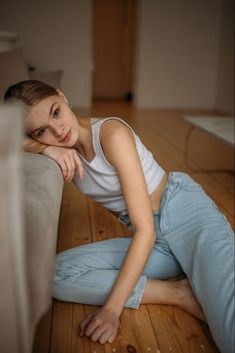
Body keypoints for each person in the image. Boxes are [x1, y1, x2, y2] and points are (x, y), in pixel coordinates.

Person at [4, 80, 234, 353]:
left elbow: (144, 229)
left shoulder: (111, 134)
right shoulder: (59, 148)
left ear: (62, 96)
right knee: (54, 274)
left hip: (183, 213)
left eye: (55, 112)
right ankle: (179, 294)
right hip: (153, 240)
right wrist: (43, 148)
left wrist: (111, 310)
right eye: (42, 130)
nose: (58, 131)